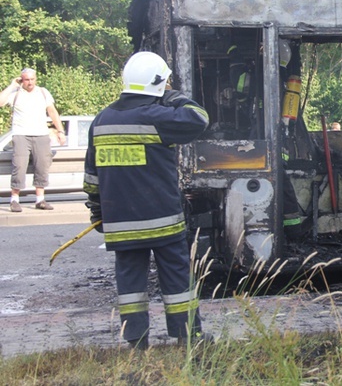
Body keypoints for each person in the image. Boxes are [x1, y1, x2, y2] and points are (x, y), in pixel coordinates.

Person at [84, 51, 210, 350]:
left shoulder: (101, 119)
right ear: (158, 83)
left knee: (130, 285)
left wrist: (96, 212)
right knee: (177, 280)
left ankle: (136, 341)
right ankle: (187, 337)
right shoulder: (157, 117)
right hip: (162, 220)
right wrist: (172, 94)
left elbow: (92, 176)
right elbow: (199, 118)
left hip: (120, 223)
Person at [0, 68, 66, 212]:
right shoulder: (16, 94)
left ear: (36, 79)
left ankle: (40, 200)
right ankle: (15, 200)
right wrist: (12, 85)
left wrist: (60, 130)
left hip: (41, 134)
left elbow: (52, 111)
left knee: (42, 166)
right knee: (19, 166)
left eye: (32, 79)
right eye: (26, 80)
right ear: (21, 80)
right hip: (21, 134)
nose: (29, 82)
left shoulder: (43, 92)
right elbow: (0, 102)